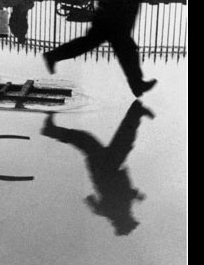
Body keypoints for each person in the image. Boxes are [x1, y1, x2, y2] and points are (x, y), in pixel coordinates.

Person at [43, 0, 157, 98]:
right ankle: (137, 84)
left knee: (92, 45)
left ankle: (53, 56)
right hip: (112, 23)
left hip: (111, 22)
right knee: (126, 52)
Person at [41, 101, 155, 236]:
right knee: (117, 140)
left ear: (125, 220)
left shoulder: (117, 211)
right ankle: (136, 111)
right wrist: (134, 195)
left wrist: (135, 195)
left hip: (106, 169)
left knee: (113, 140)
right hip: (107, 168)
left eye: (131, 220)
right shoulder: (115, 211)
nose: (132, 217)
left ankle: (137, 111)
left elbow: (117, 196)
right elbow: (98, 201)